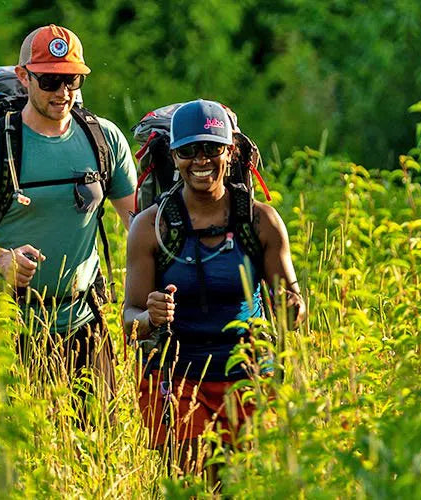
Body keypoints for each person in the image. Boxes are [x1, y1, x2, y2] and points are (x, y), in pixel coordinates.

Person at [0, 25, 138, 421]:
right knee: (21, 446)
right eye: (49, 80)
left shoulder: (103, 140)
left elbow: (139, 222)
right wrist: (0, 261)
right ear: (24, 76)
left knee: (99, 439)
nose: (63, 92)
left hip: (85, 319)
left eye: (72, 80)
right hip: (9, 325)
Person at [120, 100, 306, 482]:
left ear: (230, 151)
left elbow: (292, 300)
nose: (200, 160)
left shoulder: (261, 221)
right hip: (176, 376)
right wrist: (148, 316)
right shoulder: (150, 226)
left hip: (248, 373)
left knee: (247, 482)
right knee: (195, 481)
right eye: (188, 151)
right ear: (173, 157)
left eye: (211, 148)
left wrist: (292, 307)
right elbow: (129, 318)